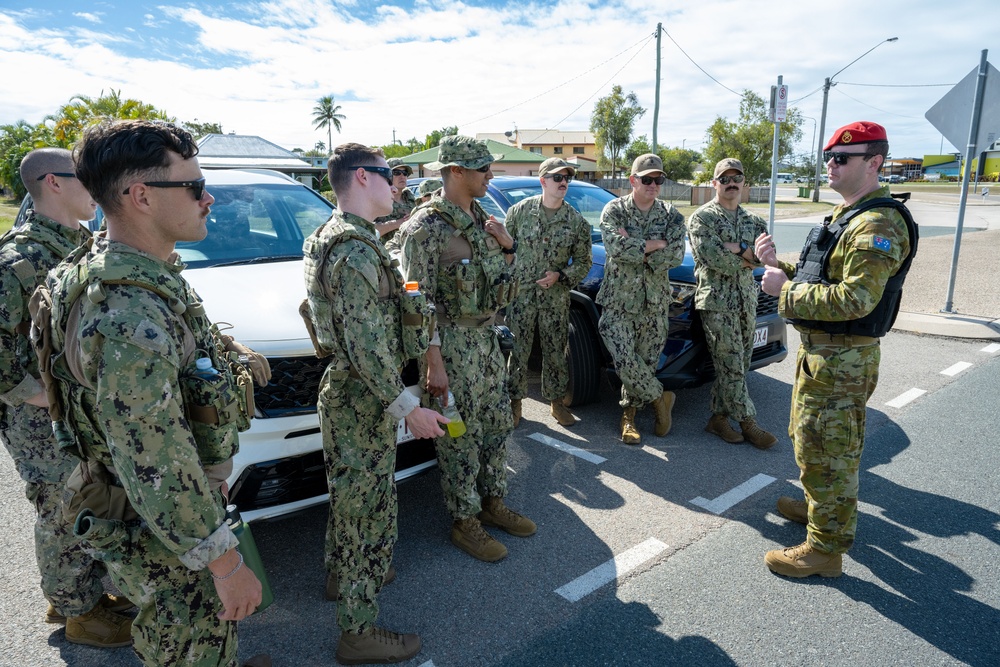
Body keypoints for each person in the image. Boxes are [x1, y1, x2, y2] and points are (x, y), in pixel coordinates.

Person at [43, 120, 270, 666]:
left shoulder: (127, 269)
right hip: (164, 533)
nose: (208, 198)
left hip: (157, 514)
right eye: (194, 186)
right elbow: (157, 464)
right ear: (140, 196)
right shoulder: (128, 317)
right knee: (194, 643)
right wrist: (225, 564)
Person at [302, 143, 447, 664]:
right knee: (369, 509)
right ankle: (358, 630)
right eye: (391, 174)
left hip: (351, 392)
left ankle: (342, 576)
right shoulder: (355, 251)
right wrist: (408, 406)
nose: (399, 183)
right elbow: (367, 346)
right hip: (364, 397)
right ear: (362, 178)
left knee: (351, 495)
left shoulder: (341, 237)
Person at [756, 121, 917, 578]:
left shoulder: (878, 222)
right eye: (828, 157)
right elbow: (822, 278)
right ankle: (820, 513)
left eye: (842, 158)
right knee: (812, 444)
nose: (831, 164)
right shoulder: (848, 216)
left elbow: (855, 299)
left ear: (874, 163)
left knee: (831, 450)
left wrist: (784, 292)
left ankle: (825, 551)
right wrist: (776, 266)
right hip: (825, 355)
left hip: (843, 357)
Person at [0, 148, 134, 647]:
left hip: (82, 411)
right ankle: (76, 611)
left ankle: (81, 591)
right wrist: (41, 397)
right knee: (63, 507)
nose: (96, 190)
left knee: (92, 502)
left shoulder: (81, 246)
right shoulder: (17, 259)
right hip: (43, 419)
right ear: (53, 184)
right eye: (85, 178)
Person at [398, 135, 535, 563]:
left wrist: (509, 247)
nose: (490, 176)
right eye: (482, 169)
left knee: (496, 426)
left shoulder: (484, 220)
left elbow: (505, 288)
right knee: (459, 435)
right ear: (455, 171)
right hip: (451, 346)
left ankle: (493, 503)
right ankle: (465, 521)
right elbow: (415, 300)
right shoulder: (424, 228)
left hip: (486, 341)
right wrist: (432, 361)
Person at [685, 158, 777, 449]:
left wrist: (738, 249)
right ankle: (748, 423)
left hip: (746, 300)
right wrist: (747, 256)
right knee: (732, 364)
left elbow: (766, 255)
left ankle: (718, 418)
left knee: (740, 363)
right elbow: (713, 258)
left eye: (736, 177)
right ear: (715, 184)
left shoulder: (755, 221)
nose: (731, 183)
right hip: (716, 301)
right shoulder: (702, 218)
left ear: (743, 183)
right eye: (724, 179)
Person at [597, 154, 685, 445]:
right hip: (618, 301)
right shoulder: (614, 211)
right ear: (632, 180)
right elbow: (615, 248)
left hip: (655, 302)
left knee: (645, 364)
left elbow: (674, 255)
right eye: (646, 179)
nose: (653, 185)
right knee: (624, 359)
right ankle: (661, 397)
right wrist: (655, 245)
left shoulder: (672, 215)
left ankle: (629, 417)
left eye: (658, 179)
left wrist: (640, 247)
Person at [505, 157, 592, 428]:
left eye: (566, 178)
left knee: (555, 351)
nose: (563, 182)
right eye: (557, 177)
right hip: (521, 296)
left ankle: (556, 403)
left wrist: (561, 276)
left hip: (555, 297)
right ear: (543, 181)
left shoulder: (575, 221)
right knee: (518, 350)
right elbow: (504, 250)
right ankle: (514, 403)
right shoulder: (519, 212)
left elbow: (584, 261)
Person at [374, 158, 416, 242]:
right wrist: (398, 223)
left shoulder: (410, 199)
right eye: (396, 173)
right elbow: (369, 231)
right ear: (386, 176)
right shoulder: (378, 200)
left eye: (405, 173)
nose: (402, 176)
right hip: (386, 252)